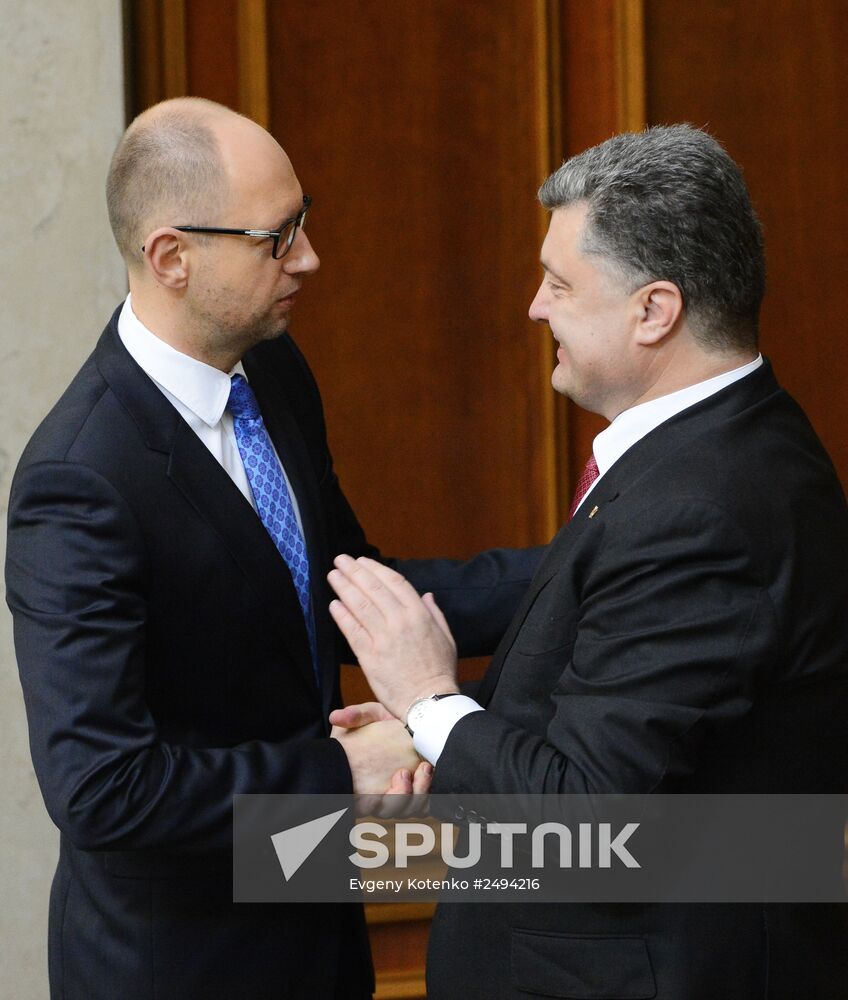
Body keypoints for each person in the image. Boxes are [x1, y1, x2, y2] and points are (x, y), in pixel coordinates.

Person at [5, 97, 541, 1000]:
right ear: (171, 256)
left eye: (303, 225)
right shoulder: (79, 479)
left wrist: (585, 567)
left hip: (315, 933)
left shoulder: (274, 371)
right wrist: (337, 771)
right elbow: (101, 788)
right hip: (178, 967)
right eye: (276, 238)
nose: (309, 258)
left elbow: (343, 592)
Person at [327, 125, 848, 999]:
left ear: (653, 310)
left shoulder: (702, 509)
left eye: (558, 283)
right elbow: (600, 653)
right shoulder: (725, 442)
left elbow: (584, 825)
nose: (534, 308)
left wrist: (430, 701)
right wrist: (438, 726)